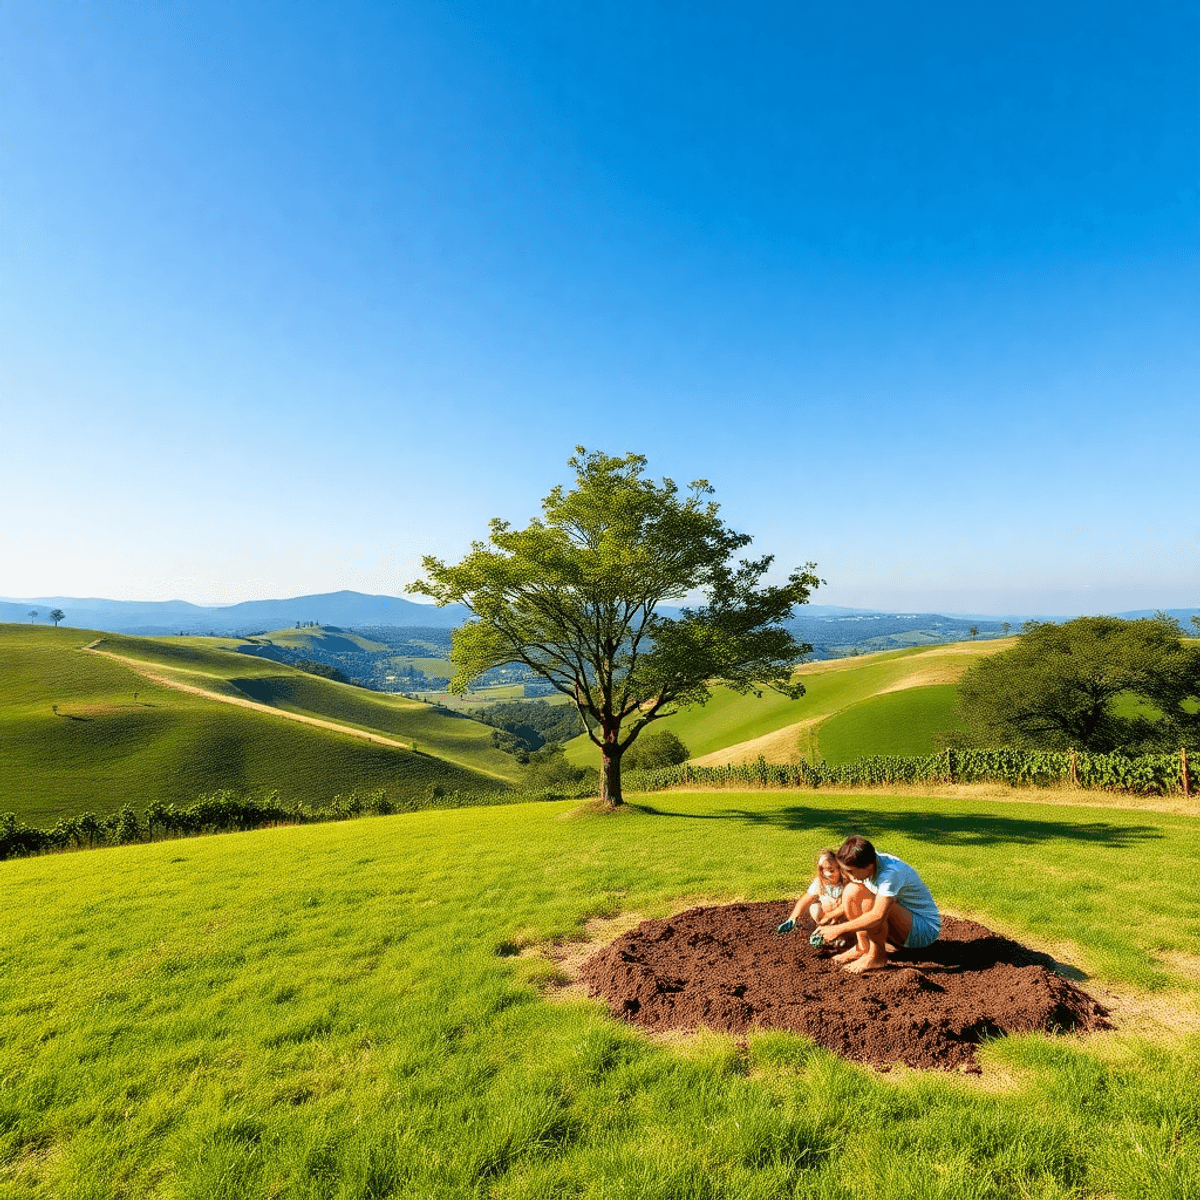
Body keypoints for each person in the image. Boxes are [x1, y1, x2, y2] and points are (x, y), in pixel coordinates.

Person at [819, 835, 940, 973]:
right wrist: (831, 915)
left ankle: (877, 957)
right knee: (851, 891)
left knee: (871, 902)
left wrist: (839, 929)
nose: (846, 874)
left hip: (922, 930)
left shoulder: (890, 874)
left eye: (850, 871)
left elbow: (878, 916)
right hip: (903, 922)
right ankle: (863, 947)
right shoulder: (869, 861)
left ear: (869, 866)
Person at [776, 849, 846, 934]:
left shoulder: (845, 884)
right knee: (815, 908)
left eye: (832, 871)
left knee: (831, 904)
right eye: (824, 871)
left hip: (843, 916)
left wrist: (829, 916)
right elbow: (804, 900)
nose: (828, 874)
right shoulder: (819, 883)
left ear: (840, 869)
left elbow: (845, 906)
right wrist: (792, 918)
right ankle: (824, 928)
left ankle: (841, 931)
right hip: (826, 917)